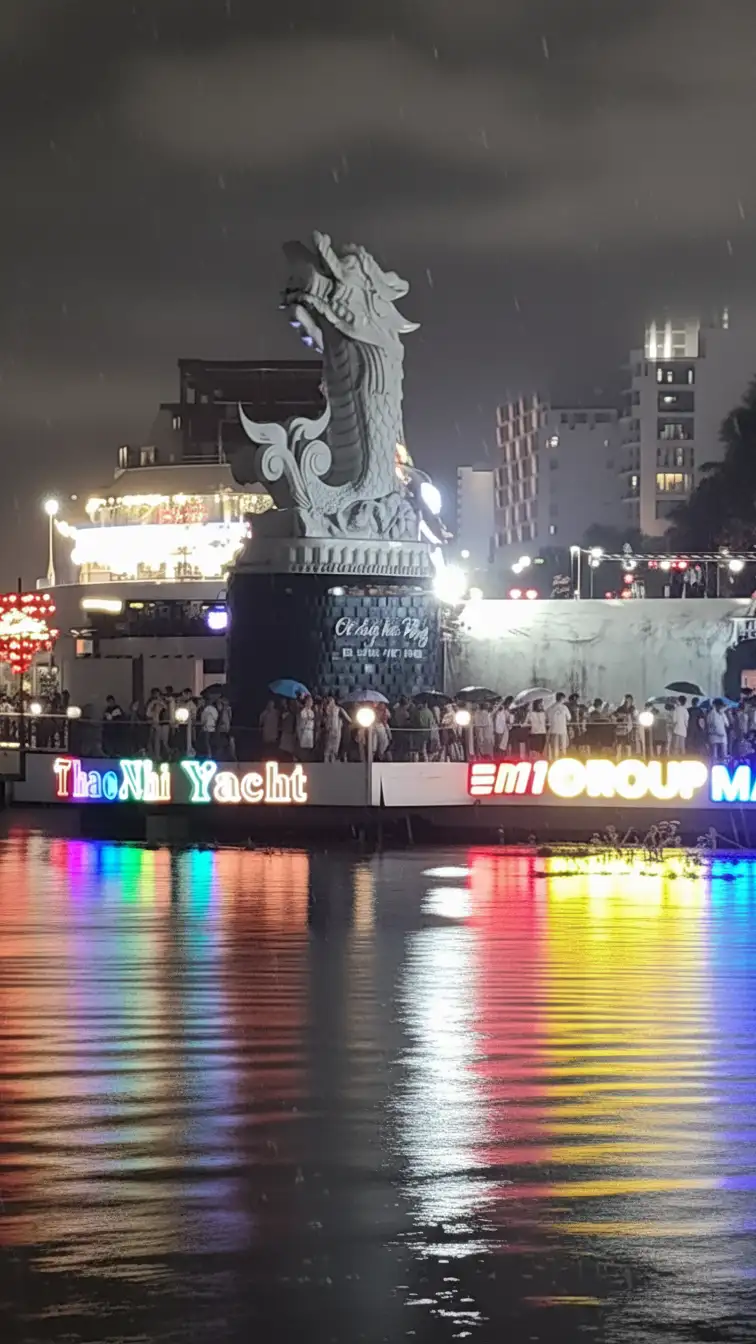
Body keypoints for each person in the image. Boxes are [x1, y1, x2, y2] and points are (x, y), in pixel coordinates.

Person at [545, 692, 571, 759]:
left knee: (555, 748)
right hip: (562, 730)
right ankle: (562, 761)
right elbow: (569, 718)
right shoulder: (564, 708)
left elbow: (546, 718)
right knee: (563, 748)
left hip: (553, 730)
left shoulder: (550, 708)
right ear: (562, 698)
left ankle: (555, 761)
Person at [145, 687, 165, 760]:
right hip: (151, 723)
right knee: (150, 739)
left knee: (158, 740)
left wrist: (159, 701)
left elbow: (165, 708)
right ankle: (151, 754)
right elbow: (148, 713)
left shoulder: (161, 702)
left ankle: (158, 755)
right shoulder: (151, 702)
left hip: (159, 723)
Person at [296, 695, 315, 760]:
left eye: (312, 701)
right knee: (303, 749)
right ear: (306, 702)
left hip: (310, 731)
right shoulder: (302, 711)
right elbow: (300, 723)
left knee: (308, 749)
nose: (311, 703)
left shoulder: (312, 712)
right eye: (310, 701)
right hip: (304, 731)